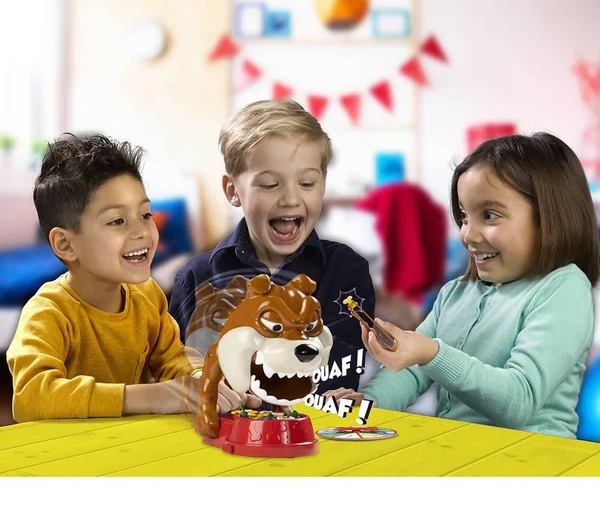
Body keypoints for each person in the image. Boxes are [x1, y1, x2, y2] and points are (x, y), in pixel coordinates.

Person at [328, 132, 600, 439]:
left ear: (548, 217)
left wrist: (431, 353)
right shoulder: (455, 293)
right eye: (464, 216)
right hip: (459, 452)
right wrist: (368, 405)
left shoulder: (563, 288)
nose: (467, 234)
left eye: (489, 215)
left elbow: (518, 400)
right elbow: (411, 371)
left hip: (533, 459)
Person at [6, 133, 257, 422]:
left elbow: (174, 360)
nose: (141, 232)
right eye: (117, 221)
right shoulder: (47, 313)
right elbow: (30, 397)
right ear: (65, 244)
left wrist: (204, 381)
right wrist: (151, 396)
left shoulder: (147, 295)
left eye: (146, 215)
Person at [169, 99, 376, 393]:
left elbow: (339, 372)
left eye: (307, 183)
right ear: (233, 191)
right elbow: (177, 373)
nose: (290, 199)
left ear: (323, 184)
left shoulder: (347, 270)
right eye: (269, 185)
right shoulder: (196, 276)